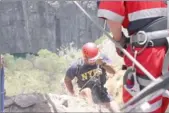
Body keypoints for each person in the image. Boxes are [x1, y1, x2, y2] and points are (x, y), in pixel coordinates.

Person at [97, 1, 168, 113]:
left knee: (143, 102)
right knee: (162, 96)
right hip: (165, 45)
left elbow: (112, 14)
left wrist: (119, 41)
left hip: (149, 51)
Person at [64, 42, 120, 112]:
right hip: (84, 93)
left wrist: (103, 64)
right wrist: (72, 93)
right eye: (91, 60)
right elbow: (67, 80)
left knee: (115, 109)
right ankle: (92, 109)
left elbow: (113, 71)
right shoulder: (76, 66)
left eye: (95, 58)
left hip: (101, 92)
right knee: (87, 91)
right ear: (84, 57)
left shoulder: (102, 58)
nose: (94, 61)